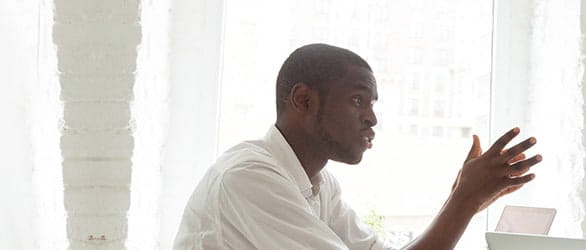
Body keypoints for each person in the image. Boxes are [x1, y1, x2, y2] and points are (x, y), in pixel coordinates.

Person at [175, 43, 542, 250]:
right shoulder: (249, 178)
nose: (371, 118)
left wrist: (461, 200)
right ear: (303, 100)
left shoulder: (320, 185)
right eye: (357, 100)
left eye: (373, 104)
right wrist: (464, 201)